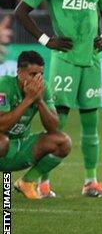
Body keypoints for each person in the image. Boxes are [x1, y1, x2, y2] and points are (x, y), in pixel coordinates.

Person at [14, 0, 102, 198]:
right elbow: (21, 11)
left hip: (91, 62)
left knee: (92, 123)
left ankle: (91, 182)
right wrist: (46, 40)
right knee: (56, 124)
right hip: (65, 61)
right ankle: (42, 183)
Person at [1, 51, 71, 199]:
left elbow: (54, 127)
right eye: (33, 74)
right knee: (2, 141)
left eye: (41, 75)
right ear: (19, 71)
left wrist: (39, 101)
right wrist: (28, 100)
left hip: (22, 146)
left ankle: (27, 182)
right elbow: (1, 126)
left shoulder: (42, 88)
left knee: (63, 142)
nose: (37, 79)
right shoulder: (4, 86)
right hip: (3, 146)